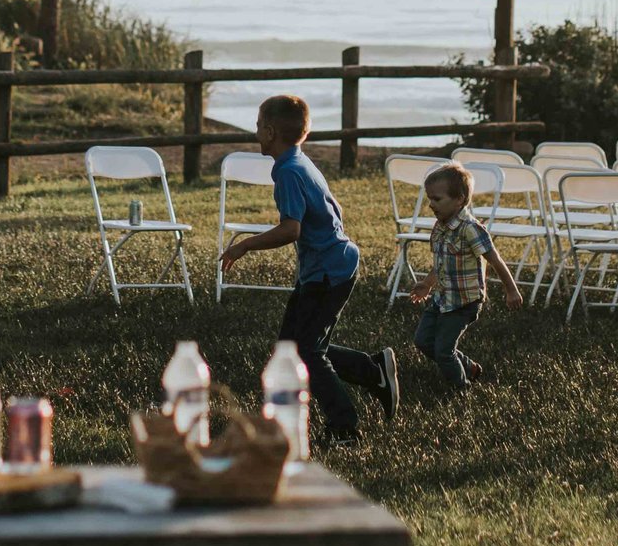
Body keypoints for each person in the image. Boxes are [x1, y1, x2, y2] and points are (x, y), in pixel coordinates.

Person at [218, 95, 399, 441]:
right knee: (292, 347)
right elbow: (333, 208)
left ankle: (344, 427)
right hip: (325, 269)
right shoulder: (299, 162)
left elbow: (291, 229)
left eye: (257, 126)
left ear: (270, 132)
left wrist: (244, 244)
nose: (255, 131)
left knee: (307, 352)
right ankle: (372, 369)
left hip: (328, 273)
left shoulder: (288, 172)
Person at [404, 162, 522, 388]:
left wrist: (511, 290)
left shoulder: (470, 228)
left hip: (463, 301)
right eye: (429, 198)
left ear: (459, 199)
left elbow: (495, 260)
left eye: (437, 199)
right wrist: (427, 284)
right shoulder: (440, 226)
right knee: (422, 341)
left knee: (444, 351)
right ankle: (469, 367)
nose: (430, 204)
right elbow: (442, 263)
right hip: (442, 297)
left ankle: (461, 388)